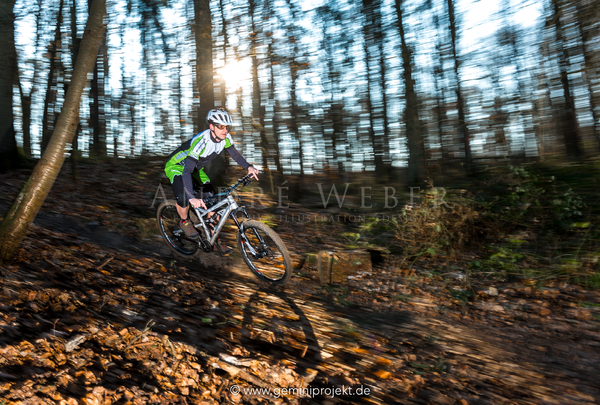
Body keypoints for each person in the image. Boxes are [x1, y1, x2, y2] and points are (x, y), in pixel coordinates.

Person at [164, 108, 259, 241]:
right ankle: (184, 221)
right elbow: (186, 171)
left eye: (226, 127)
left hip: (196, 169)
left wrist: (249, 167)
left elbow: (235, 155)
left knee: (213, 199)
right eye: (220, 127)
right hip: (177, 167)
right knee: (184, 195)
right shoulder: (201, 142)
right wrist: (192, 197)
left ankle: (212, 237)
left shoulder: (225, 138)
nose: (225, 130)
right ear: (211, 127)